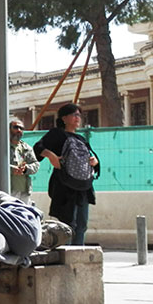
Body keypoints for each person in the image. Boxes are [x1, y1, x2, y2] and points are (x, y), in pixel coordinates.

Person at [33, 103, 100, 245]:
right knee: (68, 224)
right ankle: (67, 257)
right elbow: (38, 147)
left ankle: (78, 256)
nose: (78, 118)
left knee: (82, 225)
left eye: (79, 115)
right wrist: (50, 155)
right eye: (74, 115)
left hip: (82, 187)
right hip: (65, 186)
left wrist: (95, 162)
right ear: (64, 118)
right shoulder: (57, 133)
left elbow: (92, 160)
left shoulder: (81, 138)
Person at [8, 118, 39, 204]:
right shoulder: (3, 146)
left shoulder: (26, 148)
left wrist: (25, 169)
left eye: (21, 128)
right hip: (8, 189)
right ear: (9, 129)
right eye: (16, 127)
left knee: (22, 215)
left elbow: (36, 164)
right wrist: (12, 169)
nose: (19, 130)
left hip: (25, 190)